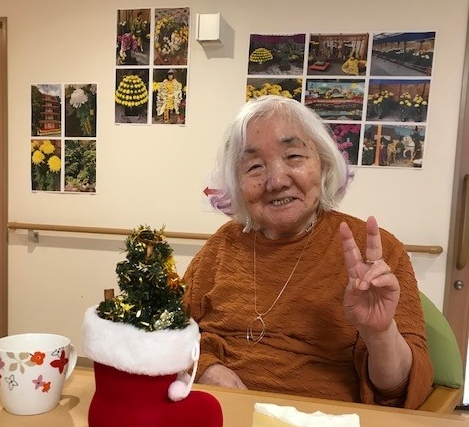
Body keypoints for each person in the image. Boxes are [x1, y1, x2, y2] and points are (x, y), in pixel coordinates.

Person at [183, 95, 433, 408]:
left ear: (323, 163)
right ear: (237, 184)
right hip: (221, 414)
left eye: (293, 157)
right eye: (255, 166)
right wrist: (205, 368)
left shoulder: (376, 253)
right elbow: (167, 330)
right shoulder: (222, 246)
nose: (276, 181)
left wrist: (380, 334)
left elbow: (400, 390)